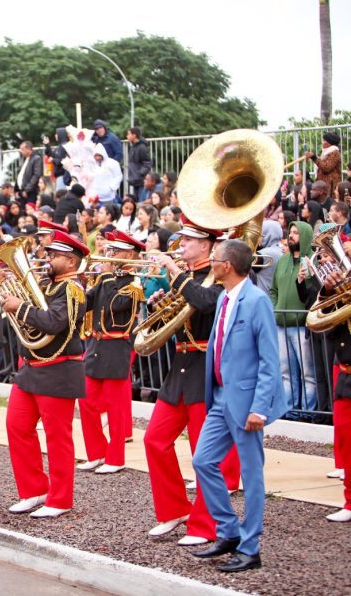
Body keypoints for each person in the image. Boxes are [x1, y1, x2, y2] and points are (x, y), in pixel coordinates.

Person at [143, 216, 240, 546]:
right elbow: (183, 312)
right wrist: (161, 308)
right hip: (180, 369)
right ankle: (174, 510)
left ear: (207, 245)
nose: (180, 244)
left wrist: (175, 272)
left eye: (188, 240)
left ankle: (206, 525)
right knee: (154, 440)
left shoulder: (220, 275)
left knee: (205, 454)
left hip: (205, 371)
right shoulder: (186, 278)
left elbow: (208, 302)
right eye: (181, 240)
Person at [191, 239, 287, 572]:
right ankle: (229, 531)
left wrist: (260, 407)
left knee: (251, 476)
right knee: (203, 461)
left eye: (214, 258)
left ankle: (251, 547)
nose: (210, 262)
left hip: (246, 404)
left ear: (227, 266)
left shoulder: (256, 300)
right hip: (220, 398)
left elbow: (269, 360)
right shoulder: (224, 298)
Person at [0, 230, 88, 518]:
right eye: (48, 254)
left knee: (57, 438)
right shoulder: (47, 286)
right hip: (32, 368)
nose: (46, 258)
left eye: (54, 256)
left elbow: (55, 321)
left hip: (59, 369)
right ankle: (34, 490)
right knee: (16, 426)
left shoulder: (72, 288)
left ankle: (60, 500)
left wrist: (21, 306)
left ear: (71, 261)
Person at [77, 231, 144, 474]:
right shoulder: (104, 279)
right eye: (111, 250)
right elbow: (86, 304)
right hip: (96, 347)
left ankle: (115, 458)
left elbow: (117, 306)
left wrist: (104, 275)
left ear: (130, 255)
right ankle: (96, 453)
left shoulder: (134, 284)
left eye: (116, 251)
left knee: (115, 410)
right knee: (85, 402)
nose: (110, 254)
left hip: (116, 347)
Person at [269, 220, 317, 415]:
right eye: (290, 232)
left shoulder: (312, 260)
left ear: (304, 236)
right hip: (281, 323)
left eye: (296, 233)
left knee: (307, 373)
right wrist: (275, 309)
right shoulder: (282, 260)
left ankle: (308, 412)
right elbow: (273, 290)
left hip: (301, 325)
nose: (291, 236)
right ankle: (290, 411)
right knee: (286, 373)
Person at [320, 263, 351, 522]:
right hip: (346, 371)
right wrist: (329, 290)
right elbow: (324, 321)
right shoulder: (344, 283)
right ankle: (350, 502)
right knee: (346, 438)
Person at [307, 132, 342, 197]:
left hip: (330, 186)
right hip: (324, 185)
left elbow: (326, 167)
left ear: (328, 143)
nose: (322, 142)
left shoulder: (335, 153)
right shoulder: (325, 153)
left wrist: (314, 158)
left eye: (324, 140)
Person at [126, 127, 152, 202]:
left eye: (128, 134)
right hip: (135, 179)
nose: (127, 136)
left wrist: (140, 173)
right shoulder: (133, 147)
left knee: (141, 200)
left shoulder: (142, 147)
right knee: (135, 200)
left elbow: (147, 162)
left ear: (134, 135)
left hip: (140, 179)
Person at [17, 141, 44, 205]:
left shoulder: (36, 158)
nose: (21, 151)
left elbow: (36, 175)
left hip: (30, 191)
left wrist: (27, 189)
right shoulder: (24, 159)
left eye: (22, 149)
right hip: (22, 190)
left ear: (28, 149)